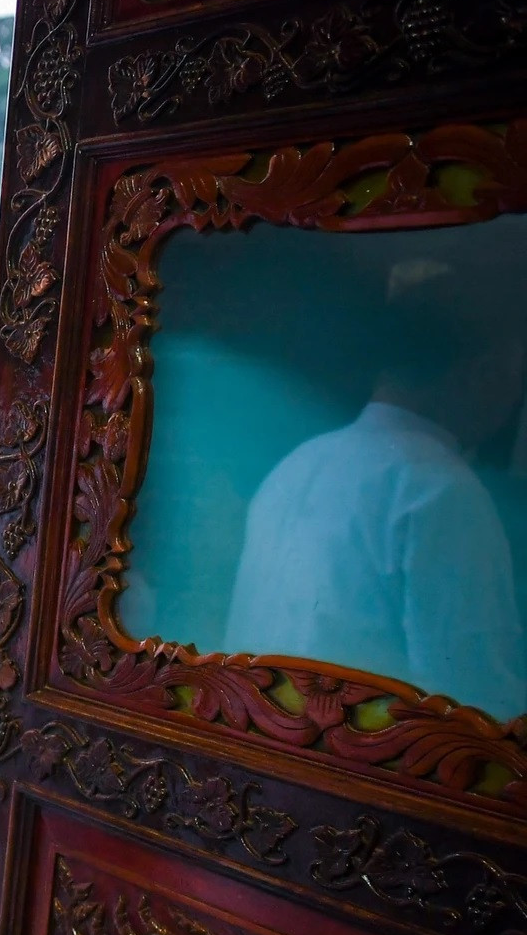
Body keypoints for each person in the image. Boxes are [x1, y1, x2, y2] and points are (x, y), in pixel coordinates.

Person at [224, 255, 526, 719]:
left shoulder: (295, 464)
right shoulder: (442, 489)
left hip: (259, 740)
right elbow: (476, 703)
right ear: (483, 373)